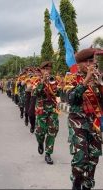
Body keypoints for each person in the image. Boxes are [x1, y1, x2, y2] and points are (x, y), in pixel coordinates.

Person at [67, 48, 103, 190]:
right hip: (78, 122)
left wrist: (99, 83)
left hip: (94, 122)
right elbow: (71, 98)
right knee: (81, 158)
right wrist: (86, 80)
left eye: (93, 61)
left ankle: (88, 183)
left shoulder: (98, 79)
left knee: (94, 157)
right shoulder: (71, 79)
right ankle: (77, 181)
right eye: (88, 61)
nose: (92, 64)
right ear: (80, 64)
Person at [34, 61, 61, 165]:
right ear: (41, 70)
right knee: (40, 131)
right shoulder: (36, 80)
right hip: (41, 109)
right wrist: (42, 82)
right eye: (45, 69)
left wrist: (58, 103)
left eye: (49, 69)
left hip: (53, 110)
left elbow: (58, 94)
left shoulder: (54, 80)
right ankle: (40, 142)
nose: (47, 71)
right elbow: (35, 93)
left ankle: (48, 154)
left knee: (52, 131)